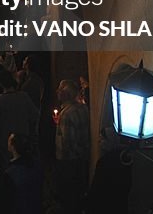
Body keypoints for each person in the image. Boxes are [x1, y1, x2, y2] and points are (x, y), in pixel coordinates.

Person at [54, 80, 90, 214]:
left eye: (60, 90)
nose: (57, 92)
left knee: (69, 194)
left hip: (68, 160)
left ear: (65, 95)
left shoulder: (66, 114)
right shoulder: (83, 108)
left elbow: (68, 142)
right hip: (82, 157)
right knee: (78, 190)